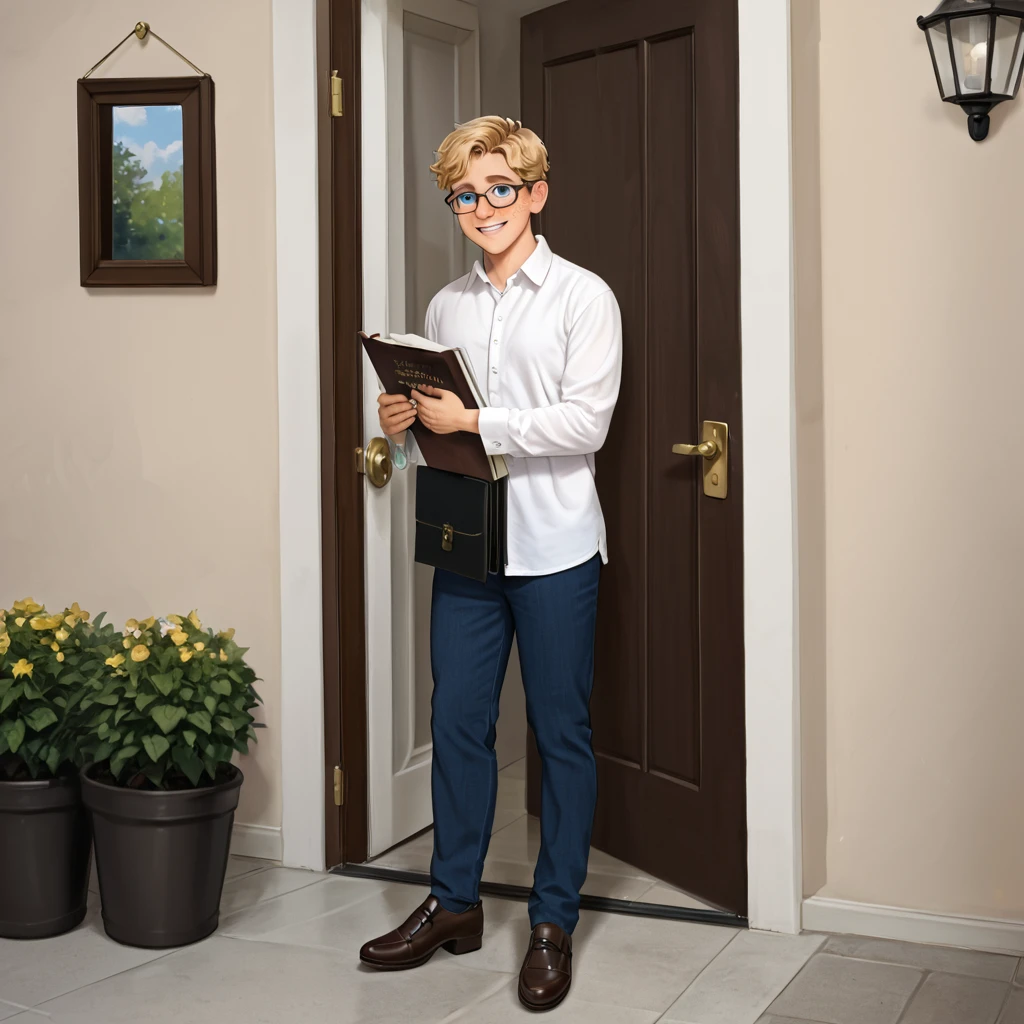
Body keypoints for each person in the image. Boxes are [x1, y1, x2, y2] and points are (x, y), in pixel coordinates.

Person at [359, 115, 622, 1012]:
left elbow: (585, 425)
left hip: (555, 550)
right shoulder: (445, 307)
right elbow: (436, 437)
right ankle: (454, 903)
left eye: (498, 189)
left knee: (560, 734)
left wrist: (472, 423)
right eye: (465, 195)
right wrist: (400, 432)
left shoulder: (586, 297)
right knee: (459, 724)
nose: (482, 207)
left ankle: (552, 922)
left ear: (535, 194)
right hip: (470, 548)